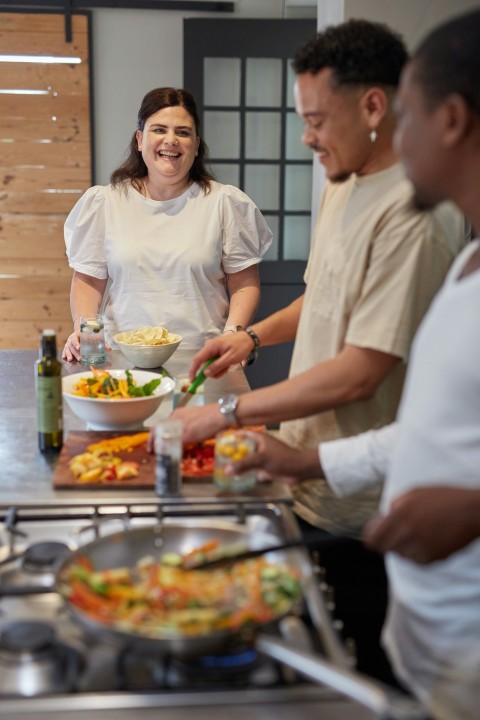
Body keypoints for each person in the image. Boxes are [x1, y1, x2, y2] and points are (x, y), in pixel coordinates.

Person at [170, 21, 466, 684]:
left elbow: (363, 371)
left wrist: (227, 415)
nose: (307, 138)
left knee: (358, 665)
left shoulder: (415, 215)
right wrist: (247, 337)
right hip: (303, 478)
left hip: (363, 505)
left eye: (315, 120)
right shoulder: (341, 182)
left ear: (373, 107)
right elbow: (321, 298)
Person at [62, 87, 272, 361]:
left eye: (183, 133)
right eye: (159, 130)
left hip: (204, 358)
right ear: (140, 139)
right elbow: (88, 280)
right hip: (122, 358)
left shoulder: (225, 203)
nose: (170, 140)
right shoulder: (105, 202)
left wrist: (233, 333)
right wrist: (86, 333)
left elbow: (244, 282)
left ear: (196, 145)